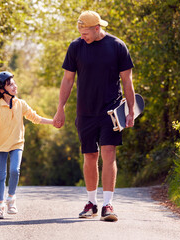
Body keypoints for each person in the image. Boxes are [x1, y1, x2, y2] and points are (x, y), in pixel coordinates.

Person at [53, 10, 135, 222]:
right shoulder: (76, 47)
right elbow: (68, 80)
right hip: (85, 112)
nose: (82, 35)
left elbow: (127, 81)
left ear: (97, 28)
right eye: (79, 31)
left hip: (111, 111)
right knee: (90, 155)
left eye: (85, 31)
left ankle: (108, 204)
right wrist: (60, 107)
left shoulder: (117, 46)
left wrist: (131, 111)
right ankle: (91, 203)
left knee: (108, 154)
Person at [0, 71, 53, 219]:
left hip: (17, 143)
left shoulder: (20, 104)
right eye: (10, 84)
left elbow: (35, 118)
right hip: (0, 146)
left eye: (14, 83)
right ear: (1, 90)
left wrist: (52, 122)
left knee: (15, 170)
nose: (14, 86)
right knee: (0, 176)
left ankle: (11, 199)